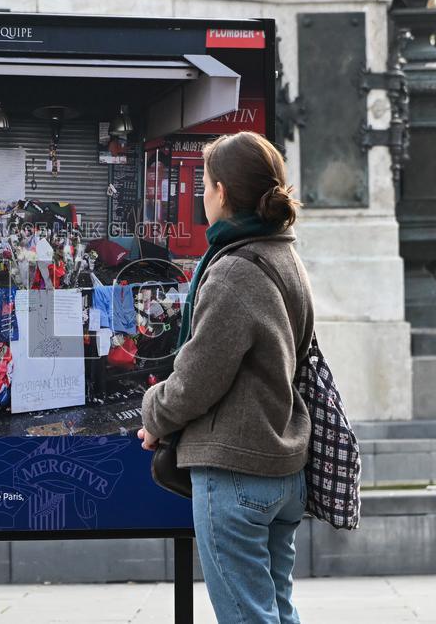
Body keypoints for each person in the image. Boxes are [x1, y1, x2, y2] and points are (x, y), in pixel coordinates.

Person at [138, 131, 314, 624]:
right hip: (282, 466)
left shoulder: (234, 270)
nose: (201, 197)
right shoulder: (284, 256)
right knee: (277, 611)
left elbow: (198, 376)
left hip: (236, 472)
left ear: (222, 193)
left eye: (206, 186)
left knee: (246, 616)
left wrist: (155, 413)